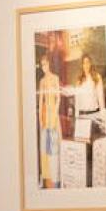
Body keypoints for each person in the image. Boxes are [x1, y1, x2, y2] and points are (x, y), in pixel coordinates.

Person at [37, 53, 62, 188]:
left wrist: (55, 113)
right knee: (45, 147)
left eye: (45, 64)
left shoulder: (55, 78)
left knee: (54, 145)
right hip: (46, 115)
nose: (43, 67)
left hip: (53, 115)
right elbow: (41, 101)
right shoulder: (42, 81)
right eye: (42, 65)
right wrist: (41, 119)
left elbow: (58, 97)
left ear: (49, 64)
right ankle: (46, 177)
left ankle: (55, 178)